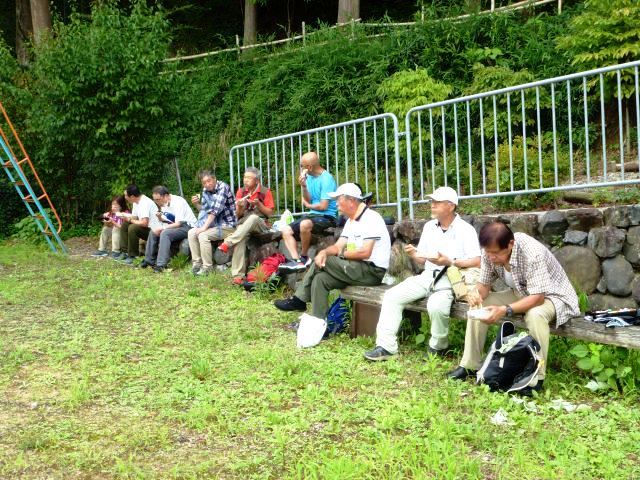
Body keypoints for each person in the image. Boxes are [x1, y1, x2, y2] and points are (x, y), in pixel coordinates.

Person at [447, 221, 580, 394]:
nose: (491, 257)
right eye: (488, 252)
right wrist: (475, 294)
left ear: (510, 244)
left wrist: (505, 310)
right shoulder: (489, 251)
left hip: (553, 297)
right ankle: (470, 365)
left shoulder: (532, 253)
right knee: (480, 306)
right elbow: (484, 286)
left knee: (535, 314)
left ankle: (536, 377)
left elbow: (538, 298)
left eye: (495, 253)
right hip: (521, 293)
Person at [364, 187, 481, 361]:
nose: (432, 205)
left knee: (436, 305)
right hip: (427, 276)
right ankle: (386, 347)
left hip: (451, 277)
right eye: (431, 201)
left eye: (437, 202)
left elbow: (477, 260)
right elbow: (423, 260)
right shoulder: (429, 226)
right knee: (392, 295)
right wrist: (413, 254)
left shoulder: (466, 229)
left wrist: (450, 261)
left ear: (450, 206)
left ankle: (438, 346)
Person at [274, 183, 390, 321]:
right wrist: (324, 252)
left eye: (338, 199)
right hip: (355, 268)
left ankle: (299, 300)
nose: (335, 204)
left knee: (327, 261)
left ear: (351, 200)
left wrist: (338, 255)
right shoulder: (351, 221)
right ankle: (318, 323)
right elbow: (337, 246)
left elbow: (365, 252)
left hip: (371, 271)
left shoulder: (371, 218)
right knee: (320, 279)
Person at [279, 151, 338, 272]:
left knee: (304, 224)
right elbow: (308, 199)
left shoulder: (327, 179)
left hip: (328, 216)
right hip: (312, 215)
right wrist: (304, 187)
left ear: (309, 167)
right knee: (285, 230)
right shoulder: (309, 177)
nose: (301, 168)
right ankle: (297, 261)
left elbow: (323, 206)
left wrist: (308, 205)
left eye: (302, 166)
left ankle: (304, 256)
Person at [217, 167, 275, 284]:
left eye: (249, 178)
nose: (245, 180)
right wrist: (239, 207)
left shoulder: (265, 192)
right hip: (244, 226)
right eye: (244, 177)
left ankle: (228, 242)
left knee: (253, 218)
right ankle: (238, 276)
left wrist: (259, 204)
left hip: (260, 224)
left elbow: (270, 213)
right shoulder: (241, 192)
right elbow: (237, 216)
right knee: (240, 238)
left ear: (257, 180)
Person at [188, 170, 237, 276]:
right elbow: (204, 211)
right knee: (191, 233)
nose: (207, 184)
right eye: (204, 182)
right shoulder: (205, 191)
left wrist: (203, 228)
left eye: (209, 181)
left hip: (228, 225)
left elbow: (215, 211)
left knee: (203, 235)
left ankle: (207, 268)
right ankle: (197, 264)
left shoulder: (223, 187)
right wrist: (196, 204)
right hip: (214, 225)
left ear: (214, 179)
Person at [140, 186, 197, 273]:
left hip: (188, 227)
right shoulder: (164, 203)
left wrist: (163, 228)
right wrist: (160, 218)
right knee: (153, 231)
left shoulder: (178, 201)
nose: (156, 202)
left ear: (166, 196)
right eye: (155, 200)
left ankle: (161, 265)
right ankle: (149, 260)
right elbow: (167, 220)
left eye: (158, 199)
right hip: (176, 226)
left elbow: (178, 223)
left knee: (165, 233)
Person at [117, 184, 160, 265]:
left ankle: (133, 255)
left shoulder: (144, 203)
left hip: (154, 231)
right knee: (125, 224)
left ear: (132, 196)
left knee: (133, 228)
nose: (125, 197)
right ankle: (125, 252)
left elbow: (144, 223)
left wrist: (130, 219)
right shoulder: (136, 202)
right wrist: (124, 216)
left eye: (126, 195)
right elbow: (135, 217)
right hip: (147, 228)